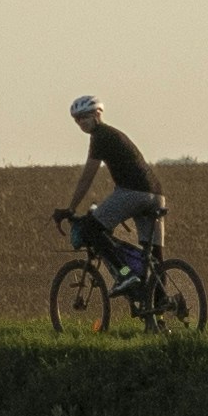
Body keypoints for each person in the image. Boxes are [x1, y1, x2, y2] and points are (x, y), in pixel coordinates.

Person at [63, 96, 163, 284]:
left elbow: (87, 177)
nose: (81, 123)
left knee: (92, 230)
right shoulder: (113, 134)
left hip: (132, 192)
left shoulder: (100, 136)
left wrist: (70, 208)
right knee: (155, 256)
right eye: (77, 119)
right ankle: (159, 305)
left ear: (97, 114)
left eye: (84, 117)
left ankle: (125, 272)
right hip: (156, 195)